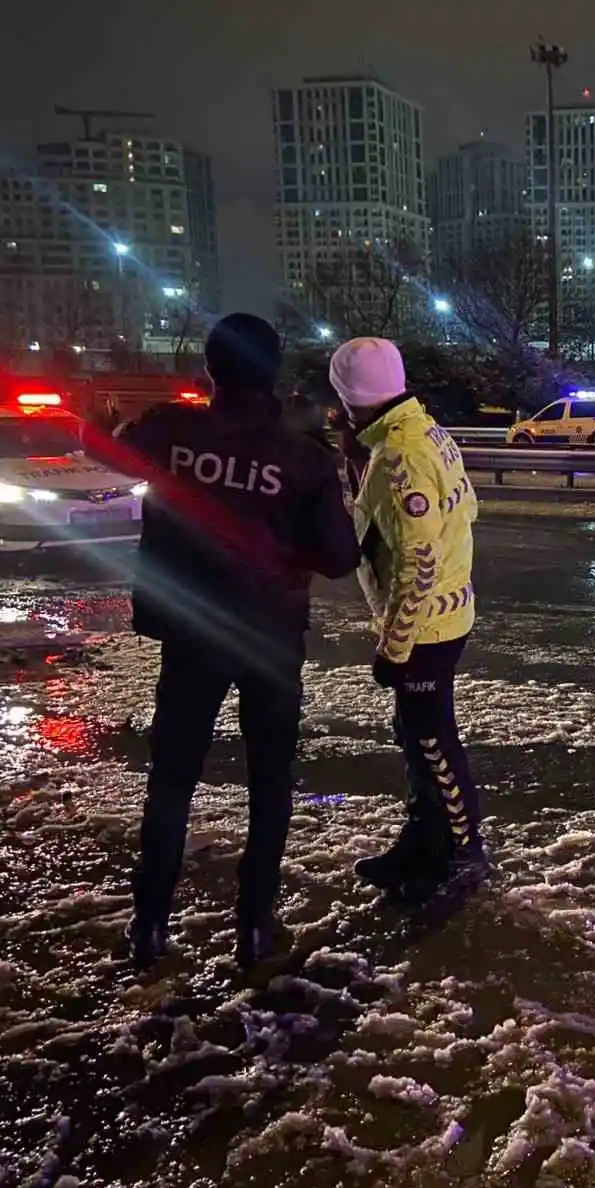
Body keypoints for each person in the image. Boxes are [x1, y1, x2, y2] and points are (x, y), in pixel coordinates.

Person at [101, 313, 360, 969]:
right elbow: (338, 556)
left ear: (212, 370)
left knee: (173, 782)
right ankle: (253, 926)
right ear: (274, 373)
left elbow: (112, 451)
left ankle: (151, 925)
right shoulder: (302, 457)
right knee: (270, 783)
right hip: (270, 637)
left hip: (190, 634)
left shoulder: (169, 430)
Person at [328, 336, 490, 902]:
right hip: (444, 614)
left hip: (426, 627)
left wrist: (393, 649)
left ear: (350, 398)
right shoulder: (421, 431)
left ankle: (464, 851)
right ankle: (423, 842)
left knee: (431, 738)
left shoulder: (400, 457)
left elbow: (419, 563)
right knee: (416, 733)